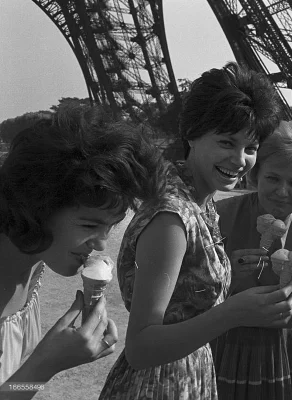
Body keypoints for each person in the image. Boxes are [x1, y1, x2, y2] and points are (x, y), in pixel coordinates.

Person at [99, 63, 292, 400]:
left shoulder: (199, 204)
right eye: (226, 142)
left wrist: (226, 271)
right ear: (192, 134)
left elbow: (181, 298)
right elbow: (141, 347)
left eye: (250, 148)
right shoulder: (172, 218)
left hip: (184, 374)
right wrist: (233, 312)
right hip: (159, 385)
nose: (239, 160)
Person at [0, 105, 168, 397]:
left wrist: (42, 369)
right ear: (37, 205)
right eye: (90, 224)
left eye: (111, 226)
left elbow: (13, 387)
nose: (101, 244)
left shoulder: (34, 265)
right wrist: (43, 366)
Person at [212, 120, 292, 399]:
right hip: (220, 341)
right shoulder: (220, 216)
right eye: (273, 178)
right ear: (255, 176)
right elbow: (191, 302)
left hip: (278, 352)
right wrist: (227, 280)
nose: (282, 191)